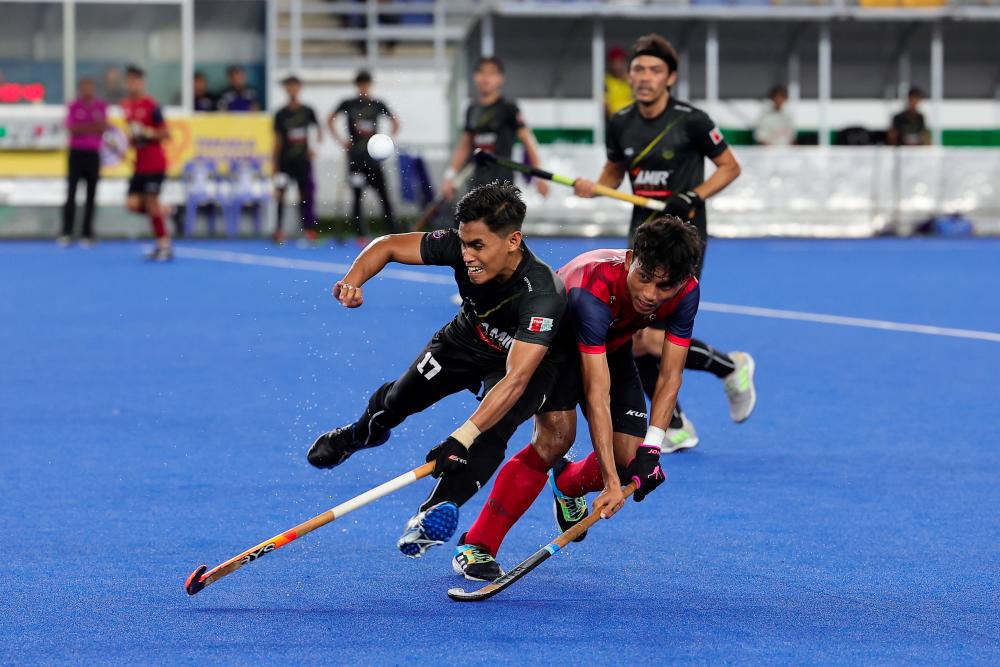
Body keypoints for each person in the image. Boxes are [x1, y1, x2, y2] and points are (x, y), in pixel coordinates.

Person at [306, 181, 572, 560]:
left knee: (491, 431)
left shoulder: (542, 293)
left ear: (513, 241)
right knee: (397, 402)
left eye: (477, 246)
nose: (466, 255)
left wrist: (462, 436)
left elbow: (515, 379)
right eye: (463, 244)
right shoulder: (460, 245)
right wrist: (354, 280)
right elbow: (387, 246)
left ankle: (430, 515)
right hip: (465, 340)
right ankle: (360, 434)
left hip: (521, 364)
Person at [454, 217, 702, 581]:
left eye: (663, 286)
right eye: (644, 277)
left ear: (681, 281)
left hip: (611, 346)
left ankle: (567, 483)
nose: (650, 294)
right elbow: (596, 393)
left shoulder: (686, 292)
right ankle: (476, 544)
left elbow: (669, 375)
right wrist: (611, 483)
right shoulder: (594, 286)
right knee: (555, 439)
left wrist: (653, 446)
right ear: (631, 258)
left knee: (630, 457)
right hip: (554, 344)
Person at [573, 34, 755, 451]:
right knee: (635, 332)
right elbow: (613, 174)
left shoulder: (691, 120)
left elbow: (730, 167)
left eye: (655, 70)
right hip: (641, 237)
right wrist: (594, 187)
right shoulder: (620, 122)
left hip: (683, 237)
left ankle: (729, 368)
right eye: (638, 69)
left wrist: (695, 195)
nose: (645, 77)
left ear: (670, 77)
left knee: (651, 337)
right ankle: (674, 424)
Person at [440, 57, 549, 201]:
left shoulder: (508, 107)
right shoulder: (472, 109)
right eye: (481, 72)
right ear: (474, 77)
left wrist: (539, 176)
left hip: (502, 185)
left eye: (491, 73)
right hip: (476, 183)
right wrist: (449, 177)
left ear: (500, 79)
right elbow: (464, 146)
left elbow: (528, 140)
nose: (485, 78)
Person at [328, 70, 399, 241]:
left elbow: (395, 121)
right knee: (357, 196)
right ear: (357, 85)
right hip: (355, 159)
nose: (364, 87)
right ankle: (360, 233)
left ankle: (393, 231)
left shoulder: (377, 104)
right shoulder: (348, 104)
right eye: (361, 84)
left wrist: (386, 141)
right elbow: (330, 119)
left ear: (370, 85)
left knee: (384, 195)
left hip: (374, 160)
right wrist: (341, 141)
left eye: (366, 84)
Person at [121, 65, 172, 261]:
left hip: (155, 163)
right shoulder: (126, 106)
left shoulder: (152, 106)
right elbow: (133, 136)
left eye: (136, 81)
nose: (133, 85)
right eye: (130, 81)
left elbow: (165, 133)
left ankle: (163, 245)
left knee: (151, 202)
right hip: (139, 164)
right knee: (132, 204)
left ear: (142, 83)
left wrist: (147, 132)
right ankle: (163, 210)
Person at [273, 75, 322, 245]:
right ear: (285, 89)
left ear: (299, 88)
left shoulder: (308, 111)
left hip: (303, 161)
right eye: (289, 86)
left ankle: (308, 230)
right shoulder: (280, 114)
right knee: (281, 194)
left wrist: (314, 148)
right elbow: (277, 140)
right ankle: (279, 230)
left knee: (305, 195)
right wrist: (274, 164)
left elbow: (318, 131)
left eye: (295, 86)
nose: (292, 89)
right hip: (285, 161)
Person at [60, 77, 108, 247]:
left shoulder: (100, 106)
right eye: (84, 86)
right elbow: (72, 128)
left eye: (90, 86)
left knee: (91, 194)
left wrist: (85, 128)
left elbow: (103, 127)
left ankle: (87, 232)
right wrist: (92, 127)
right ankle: (66, 232)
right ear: (80, 88)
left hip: (93, 154)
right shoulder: (74, 106)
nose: (87, 89)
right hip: (76, 154)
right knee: (71, 193)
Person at [605, 46, 633, 119]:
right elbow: (606, 106)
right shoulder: (605, 81)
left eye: (622, 61)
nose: (619, 65)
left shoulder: (631, 80)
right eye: (616, 62)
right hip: (616, 121)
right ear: (610, 63)